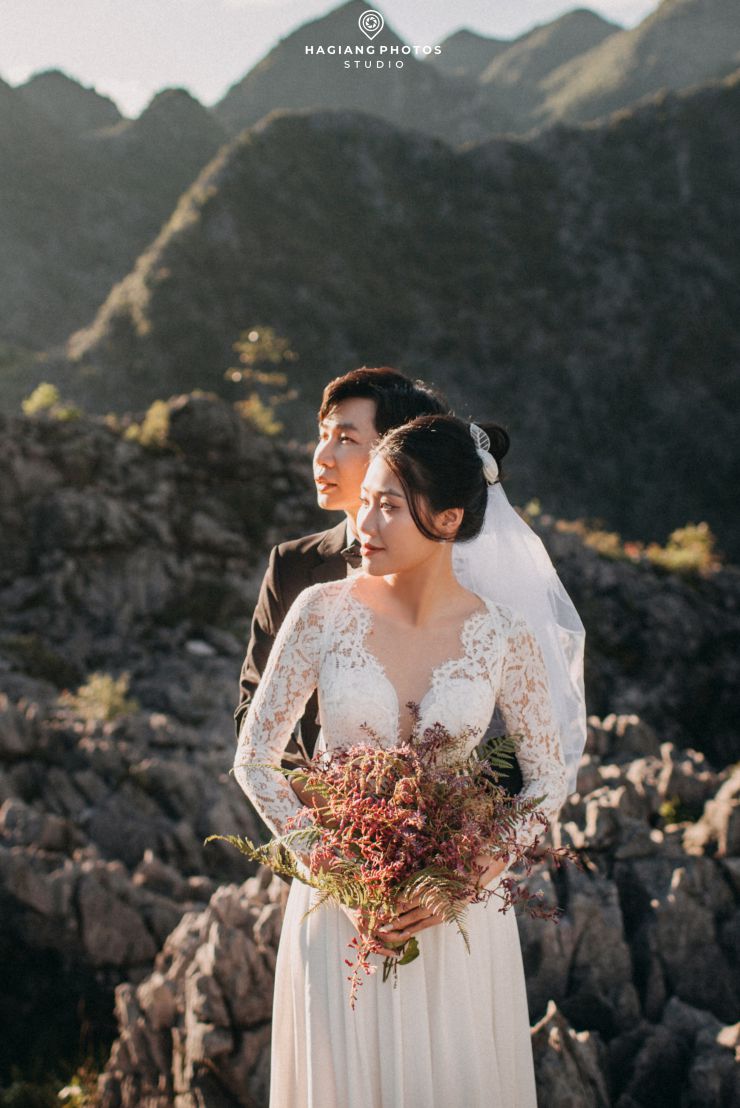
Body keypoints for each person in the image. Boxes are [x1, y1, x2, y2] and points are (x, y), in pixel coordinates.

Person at [233, 414, 570, 1108]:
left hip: (456, 921)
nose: (365, 523)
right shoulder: (320, 610)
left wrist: (474, 872)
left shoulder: (505, 635)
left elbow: (549, 775)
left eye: (388, 505)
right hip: (340, 920)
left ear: (448, 519)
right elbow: (256, 758)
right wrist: (336, 869)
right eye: (365, 501)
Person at [234, 365, 450, 760]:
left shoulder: (460, 576)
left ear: (398, 453)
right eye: (323, 436)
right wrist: (315, 792)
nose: (322, 457)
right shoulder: (291, 566)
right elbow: (253, 708)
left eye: (346, 439)